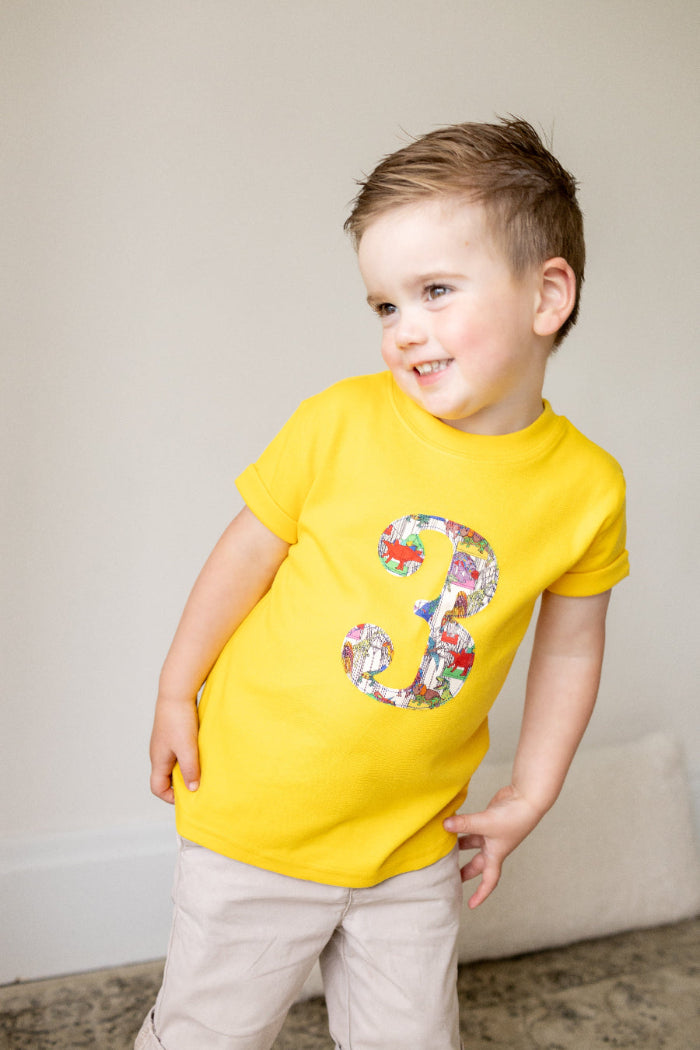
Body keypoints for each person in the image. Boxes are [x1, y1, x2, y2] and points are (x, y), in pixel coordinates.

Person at [136, 118, 629, 1050]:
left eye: (435, 292)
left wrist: (529, 794)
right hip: (259, 817)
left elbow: (572, 641)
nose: (405, 332)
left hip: (413, 838)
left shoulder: (586, 487)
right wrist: (174, 690)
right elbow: (244, 555)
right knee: (211, 1031)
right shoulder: (340, 423)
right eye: (384, 307)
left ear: (546, 294)